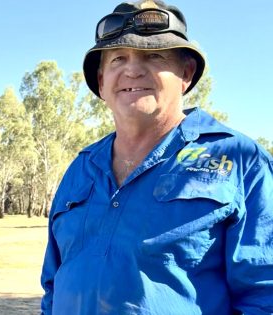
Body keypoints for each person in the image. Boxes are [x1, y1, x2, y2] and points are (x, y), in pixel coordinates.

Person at [40, 1, 273, 314]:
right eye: (118, 59)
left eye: (154, 56)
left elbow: (264, 295)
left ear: (186, 73)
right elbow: (54, 283)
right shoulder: (81, 166)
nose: (132, 69)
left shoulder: (239, 160)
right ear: (101, 82)